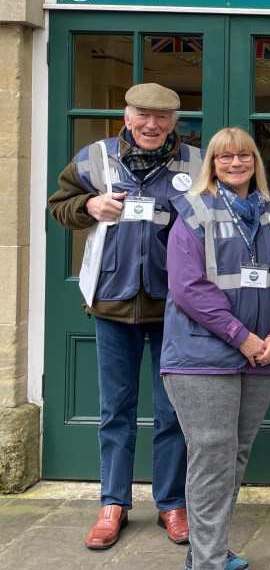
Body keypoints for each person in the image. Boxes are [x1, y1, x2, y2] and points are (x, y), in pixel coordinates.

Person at [48, 83, 201, 549]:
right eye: (143, 116)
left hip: (175, 306)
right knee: (116, 410)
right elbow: (59, 207)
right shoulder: (93, 157)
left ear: (174, 122)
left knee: (172, 410)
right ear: (126, 115)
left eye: (163, 118)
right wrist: (88, 206)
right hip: (112, 302)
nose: (152, 125)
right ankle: (112, 503)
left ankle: (171, 504)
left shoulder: (195, 163)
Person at [160, 127, 270, 570]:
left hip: (263, 357)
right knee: (211, 454)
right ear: (212, 163)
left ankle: (211, 549)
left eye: (245, 155)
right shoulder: (192, 210)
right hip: (201, 358)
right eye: (225, 157)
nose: (236, 162)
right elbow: (188, 288)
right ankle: (206, 561)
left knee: (234, 456)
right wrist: (242, 337)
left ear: (256, 162)